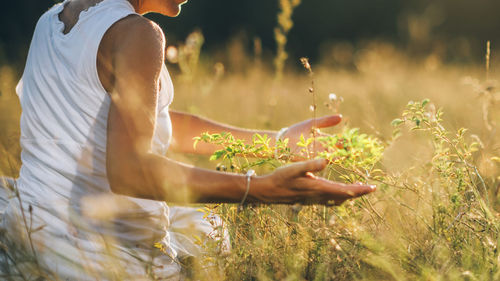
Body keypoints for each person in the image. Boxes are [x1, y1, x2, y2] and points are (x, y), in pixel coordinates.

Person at [0, 0, 376, 279]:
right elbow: (130, 170)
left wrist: (274, 142)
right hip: (99, 260)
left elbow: (151, 124)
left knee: (207, 229)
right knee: (212, 241)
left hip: (33, 233)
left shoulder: (52, 20)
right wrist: (259, 189)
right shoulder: (137, 34)